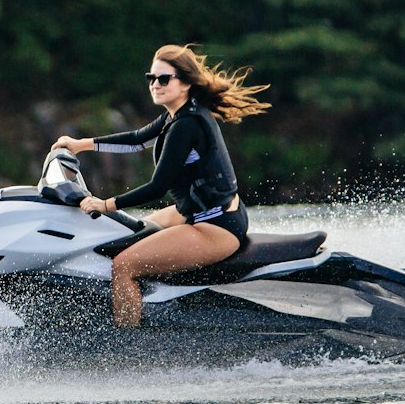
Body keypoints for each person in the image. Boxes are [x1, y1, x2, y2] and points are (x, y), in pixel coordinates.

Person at [52, 43, 270, 328]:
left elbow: (157, 187)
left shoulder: (186, 125)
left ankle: (128, 344)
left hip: (216, 226)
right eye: (151, 78)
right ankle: (147, 309)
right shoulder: (177, 115)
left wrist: (104, 204)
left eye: (163, 79)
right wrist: (82, 145)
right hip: (199, 212)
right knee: (129, 235)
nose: (155, 84)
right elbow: (138, 139)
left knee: (124, 265)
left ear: (186, 84)